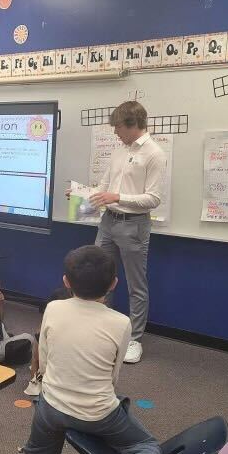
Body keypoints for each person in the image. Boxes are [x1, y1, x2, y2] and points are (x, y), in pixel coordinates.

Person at [2, 246, 163, 454]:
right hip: (100, 414)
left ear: (66, 281)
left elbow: (46, 362)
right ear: (114, 283)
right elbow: (113, 377)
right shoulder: (121, 322)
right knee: (144, 444)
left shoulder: (53, 309)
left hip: (51, 407)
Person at [72, 101, 166, 364]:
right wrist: (82, 194)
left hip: (134, 224)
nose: (115, 133)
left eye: (118, 127)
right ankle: (103, 330)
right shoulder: (118, 151)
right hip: (108, 222)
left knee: (136, 284)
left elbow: (153, 198)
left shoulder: (154, 154)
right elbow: (103, 188)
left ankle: (134, 339)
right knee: (98, 276)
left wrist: (117, 196)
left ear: (134, 125)